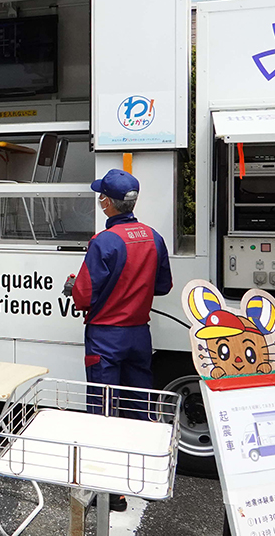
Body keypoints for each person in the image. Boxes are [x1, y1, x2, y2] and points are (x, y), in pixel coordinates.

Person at [67, 168, 172, 512]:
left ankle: (108, 491)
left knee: (103, 413)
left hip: (106, 338)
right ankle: (137, 477)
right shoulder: (154, 237)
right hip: (139, 334)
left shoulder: (105, 242)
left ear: (107, 202)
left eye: (102, 196)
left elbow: (83, 296)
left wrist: (73, 286)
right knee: (138, 408)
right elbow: (162, 286)